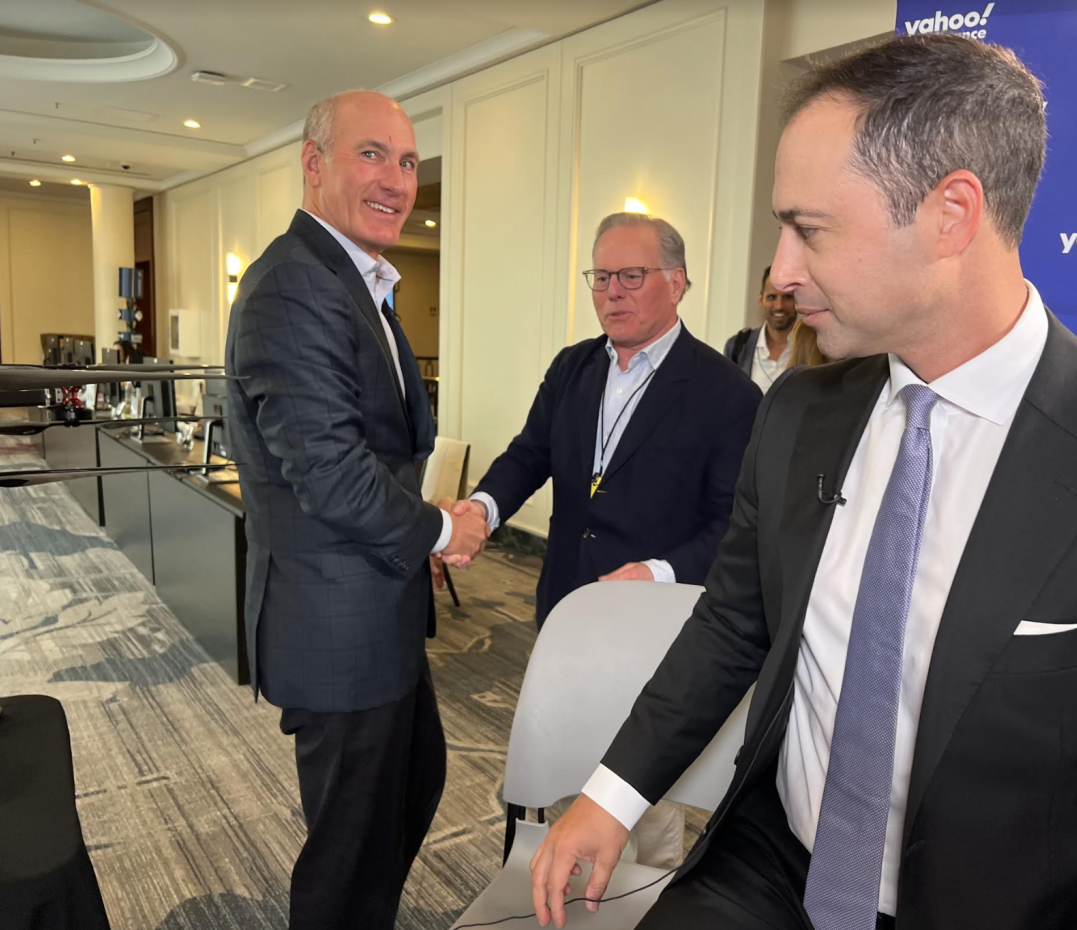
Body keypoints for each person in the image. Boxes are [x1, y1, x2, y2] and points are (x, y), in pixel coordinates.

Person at [530, 35, 1077, 930]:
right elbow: (732, 627)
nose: (779, 273)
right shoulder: (795, 417)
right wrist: (612, 795)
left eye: (810, 229)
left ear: (952, 213)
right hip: (771, 874)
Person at [224, 90, 489, 930]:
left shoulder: (358, 283)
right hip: (333, 623)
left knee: (408, 794)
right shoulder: (292, 286)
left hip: (378, 611)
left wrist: (423, 521)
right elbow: (332, 476)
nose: (398, 180)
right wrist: (444, 528)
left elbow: (379, 446)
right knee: (347, 856)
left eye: (409, 162)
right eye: (373, 154)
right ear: (315, 165)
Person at [447, 212, 760, 867]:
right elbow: (529, 455)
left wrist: (656, 572)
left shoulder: (725, 393)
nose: (611, 291)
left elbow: (733, 525)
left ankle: (646, 903)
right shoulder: (573, 368)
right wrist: (481, 508)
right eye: (600, 276)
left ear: (677, 283)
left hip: (655, 629)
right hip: (566, 606)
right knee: (566, 768)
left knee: (645, 797)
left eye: (631, 275)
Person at [725, 265, 796, 393]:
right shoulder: (738, 347)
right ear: (760, 300)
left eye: (787, 297)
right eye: (772, 297)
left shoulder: (815, 348)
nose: (779, 306)